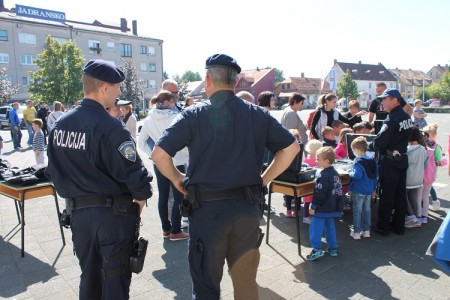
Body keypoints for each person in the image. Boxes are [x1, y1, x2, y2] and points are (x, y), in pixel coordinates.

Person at [151, 53, 299, 299]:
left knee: (206, 287)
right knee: (246, 285)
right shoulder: (257, 114)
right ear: (236, 81)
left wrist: (177, 178)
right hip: (246, 209)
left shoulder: (193, 114)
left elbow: (159, 154)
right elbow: (291, 148)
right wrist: (264, 179)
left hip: (207, 213)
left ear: (207, 79)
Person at [45, 59, 153, 299]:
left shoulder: (59, 125)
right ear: (105, 87)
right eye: (118, 88)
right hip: (112, 218)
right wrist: (142, 197)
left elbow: (52, 172)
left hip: (79, 217)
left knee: (90, 278)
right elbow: (133, 174)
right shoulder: (111, 127)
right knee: (114, 282)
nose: (119, 94)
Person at [138, 90, 189, 241]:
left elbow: (140, 143)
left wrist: (153, 156)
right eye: (174, 100)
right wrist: (184, 154)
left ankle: (166, 229)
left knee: (163, 196)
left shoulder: (148, 120)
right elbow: (185, 141)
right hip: (177, 162)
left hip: (159, 163)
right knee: (179, 195)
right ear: (169, 101)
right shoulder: (176, 117)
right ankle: (175, 230)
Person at [368, 88, 414, 236]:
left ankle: (383, 227)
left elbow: (381, 142)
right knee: (400, 194)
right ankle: (399, 226)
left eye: (384, 99)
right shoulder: (405, 116)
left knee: (387, 194)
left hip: (390, 161)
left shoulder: (392, 118)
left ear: (394, 100)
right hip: (402, 158)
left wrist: (369, 145)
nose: (382, 102)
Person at [307, 146, 345, 261]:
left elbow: (319, 194)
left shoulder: (323, 176)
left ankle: (317, 249)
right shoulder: (335, 173)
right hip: (332, 206)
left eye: (318, 159)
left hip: (322, 208)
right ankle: (333, 248)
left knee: (315, 229)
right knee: (330, 227)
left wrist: (313, 206)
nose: (316, 160)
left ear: (326, 160)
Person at [348, 137, 377, 240]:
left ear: (357, 150)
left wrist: (349, 173)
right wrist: (373, 189)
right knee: (367, 211)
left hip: (358, 190)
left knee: (357, 211)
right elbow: (375, 177)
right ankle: (366, 231)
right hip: (369, 190)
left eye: (352, 150)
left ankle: (356, 232)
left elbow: (357, 175)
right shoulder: (372, 160)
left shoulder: (358, 162)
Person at [404, 126, 428, 228]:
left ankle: (412, 218)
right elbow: (425, 163)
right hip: (418, 178)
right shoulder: (423, 149)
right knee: (413, 198)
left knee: (404, 198)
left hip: (408, 178)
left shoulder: (406, 150)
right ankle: (417, 218)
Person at [302, 139, 323, 224]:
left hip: (312, 184)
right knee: (307, 201)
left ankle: (310, 215)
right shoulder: (309, 160)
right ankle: (306, 216)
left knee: (310, 201)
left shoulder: (308, 159)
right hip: (310, 184)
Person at [423, 124, 443, 211]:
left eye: (427, 135)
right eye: (425, 134)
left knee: (429, 186)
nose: (425, 137)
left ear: (433, 135)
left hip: (430, 170)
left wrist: (434, 161)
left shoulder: (436, 147)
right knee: (425, 187)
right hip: (423, 169)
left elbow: (438, 160)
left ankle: (435, 201)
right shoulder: (423, 143)